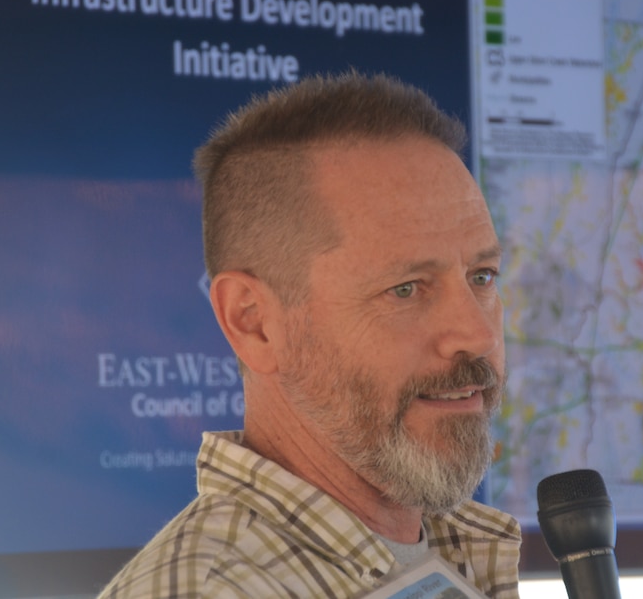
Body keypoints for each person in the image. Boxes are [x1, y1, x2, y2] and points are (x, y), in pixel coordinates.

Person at [98, 72, 521, 598]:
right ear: (253, 322)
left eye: (481, 277)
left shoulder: (455, 552)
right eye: (406, 289)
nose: (478, 336)